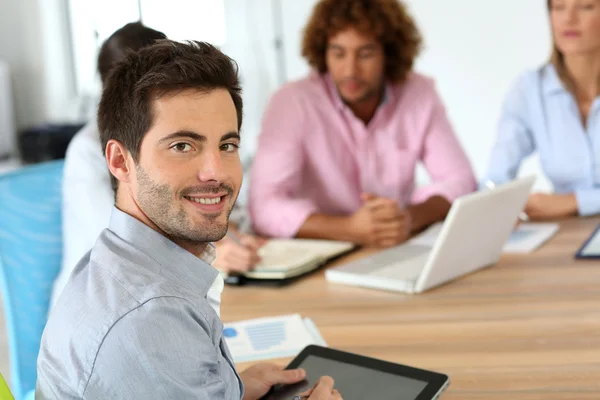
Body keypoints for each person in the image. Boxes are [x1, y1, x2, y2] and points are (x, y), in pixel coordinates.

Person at [36, 40, 341, 399]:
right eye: (183, 146)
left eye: (227, 146)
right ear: (120, 162)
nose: (216, 172)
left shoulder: (119, 266)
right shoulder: (148, 322)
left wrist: (231, 389)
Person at [53, 22, 263, 307]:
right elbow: (125, 235)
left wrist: (232, 237)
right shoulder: (87, 150)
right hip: (110, 296)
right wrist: (211, 250)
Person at [249, 0, 476, 248]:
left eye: (365, 53)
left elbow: (461, 180)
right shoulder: (292, 103)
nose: (350, 70)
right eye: (338, 53)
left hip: (394, 248)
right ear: (323, 53)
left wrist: (409, 218)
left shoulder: (418, 94)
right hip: (320, 256)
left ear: (388, 54)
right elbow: (264, 206)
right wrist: (348, 229)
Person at [484, 0, 600, 220]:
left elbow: (570, 203)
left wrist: (574, 202)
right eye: (558, 7)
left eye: (585, 6)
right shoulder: (529, 89)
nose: (569, 19)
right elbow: (495, 176)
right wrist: (496, 207)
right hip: (567, 234)